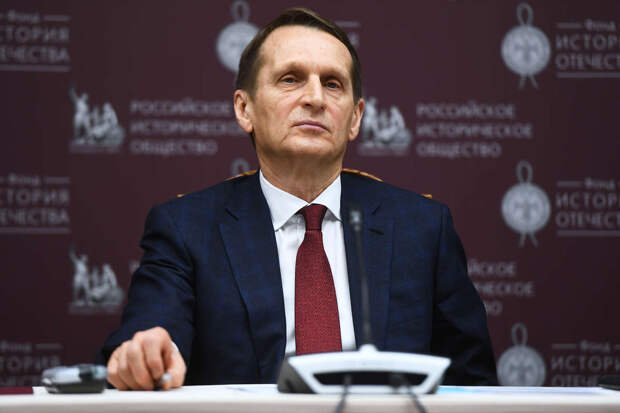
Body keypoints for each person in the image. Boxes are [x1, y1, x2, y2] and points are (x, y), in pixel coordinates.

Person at [99, 8, 497, 390]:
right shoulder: (186, 229)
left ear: (356, 117)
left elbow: (474, 383)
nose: (315, 98)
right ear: (244, 109)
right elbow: (151, 335)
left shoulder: (422, 227)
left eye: (333, 83)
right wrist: (147, 355)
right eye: (290, 79)